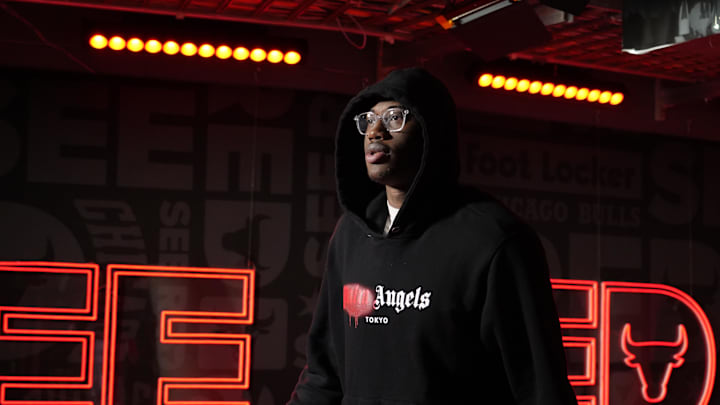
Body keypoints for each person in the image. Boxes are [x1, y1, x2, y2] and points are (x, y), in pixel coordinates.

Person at [288, 67, 577, 404]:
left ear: (431, 132)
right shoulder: (351, 234)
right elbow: (324, 375)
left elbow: (540, 389)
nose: (375, 131)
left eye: (395, 117)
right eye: (368, 120)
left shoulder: (493, 240)